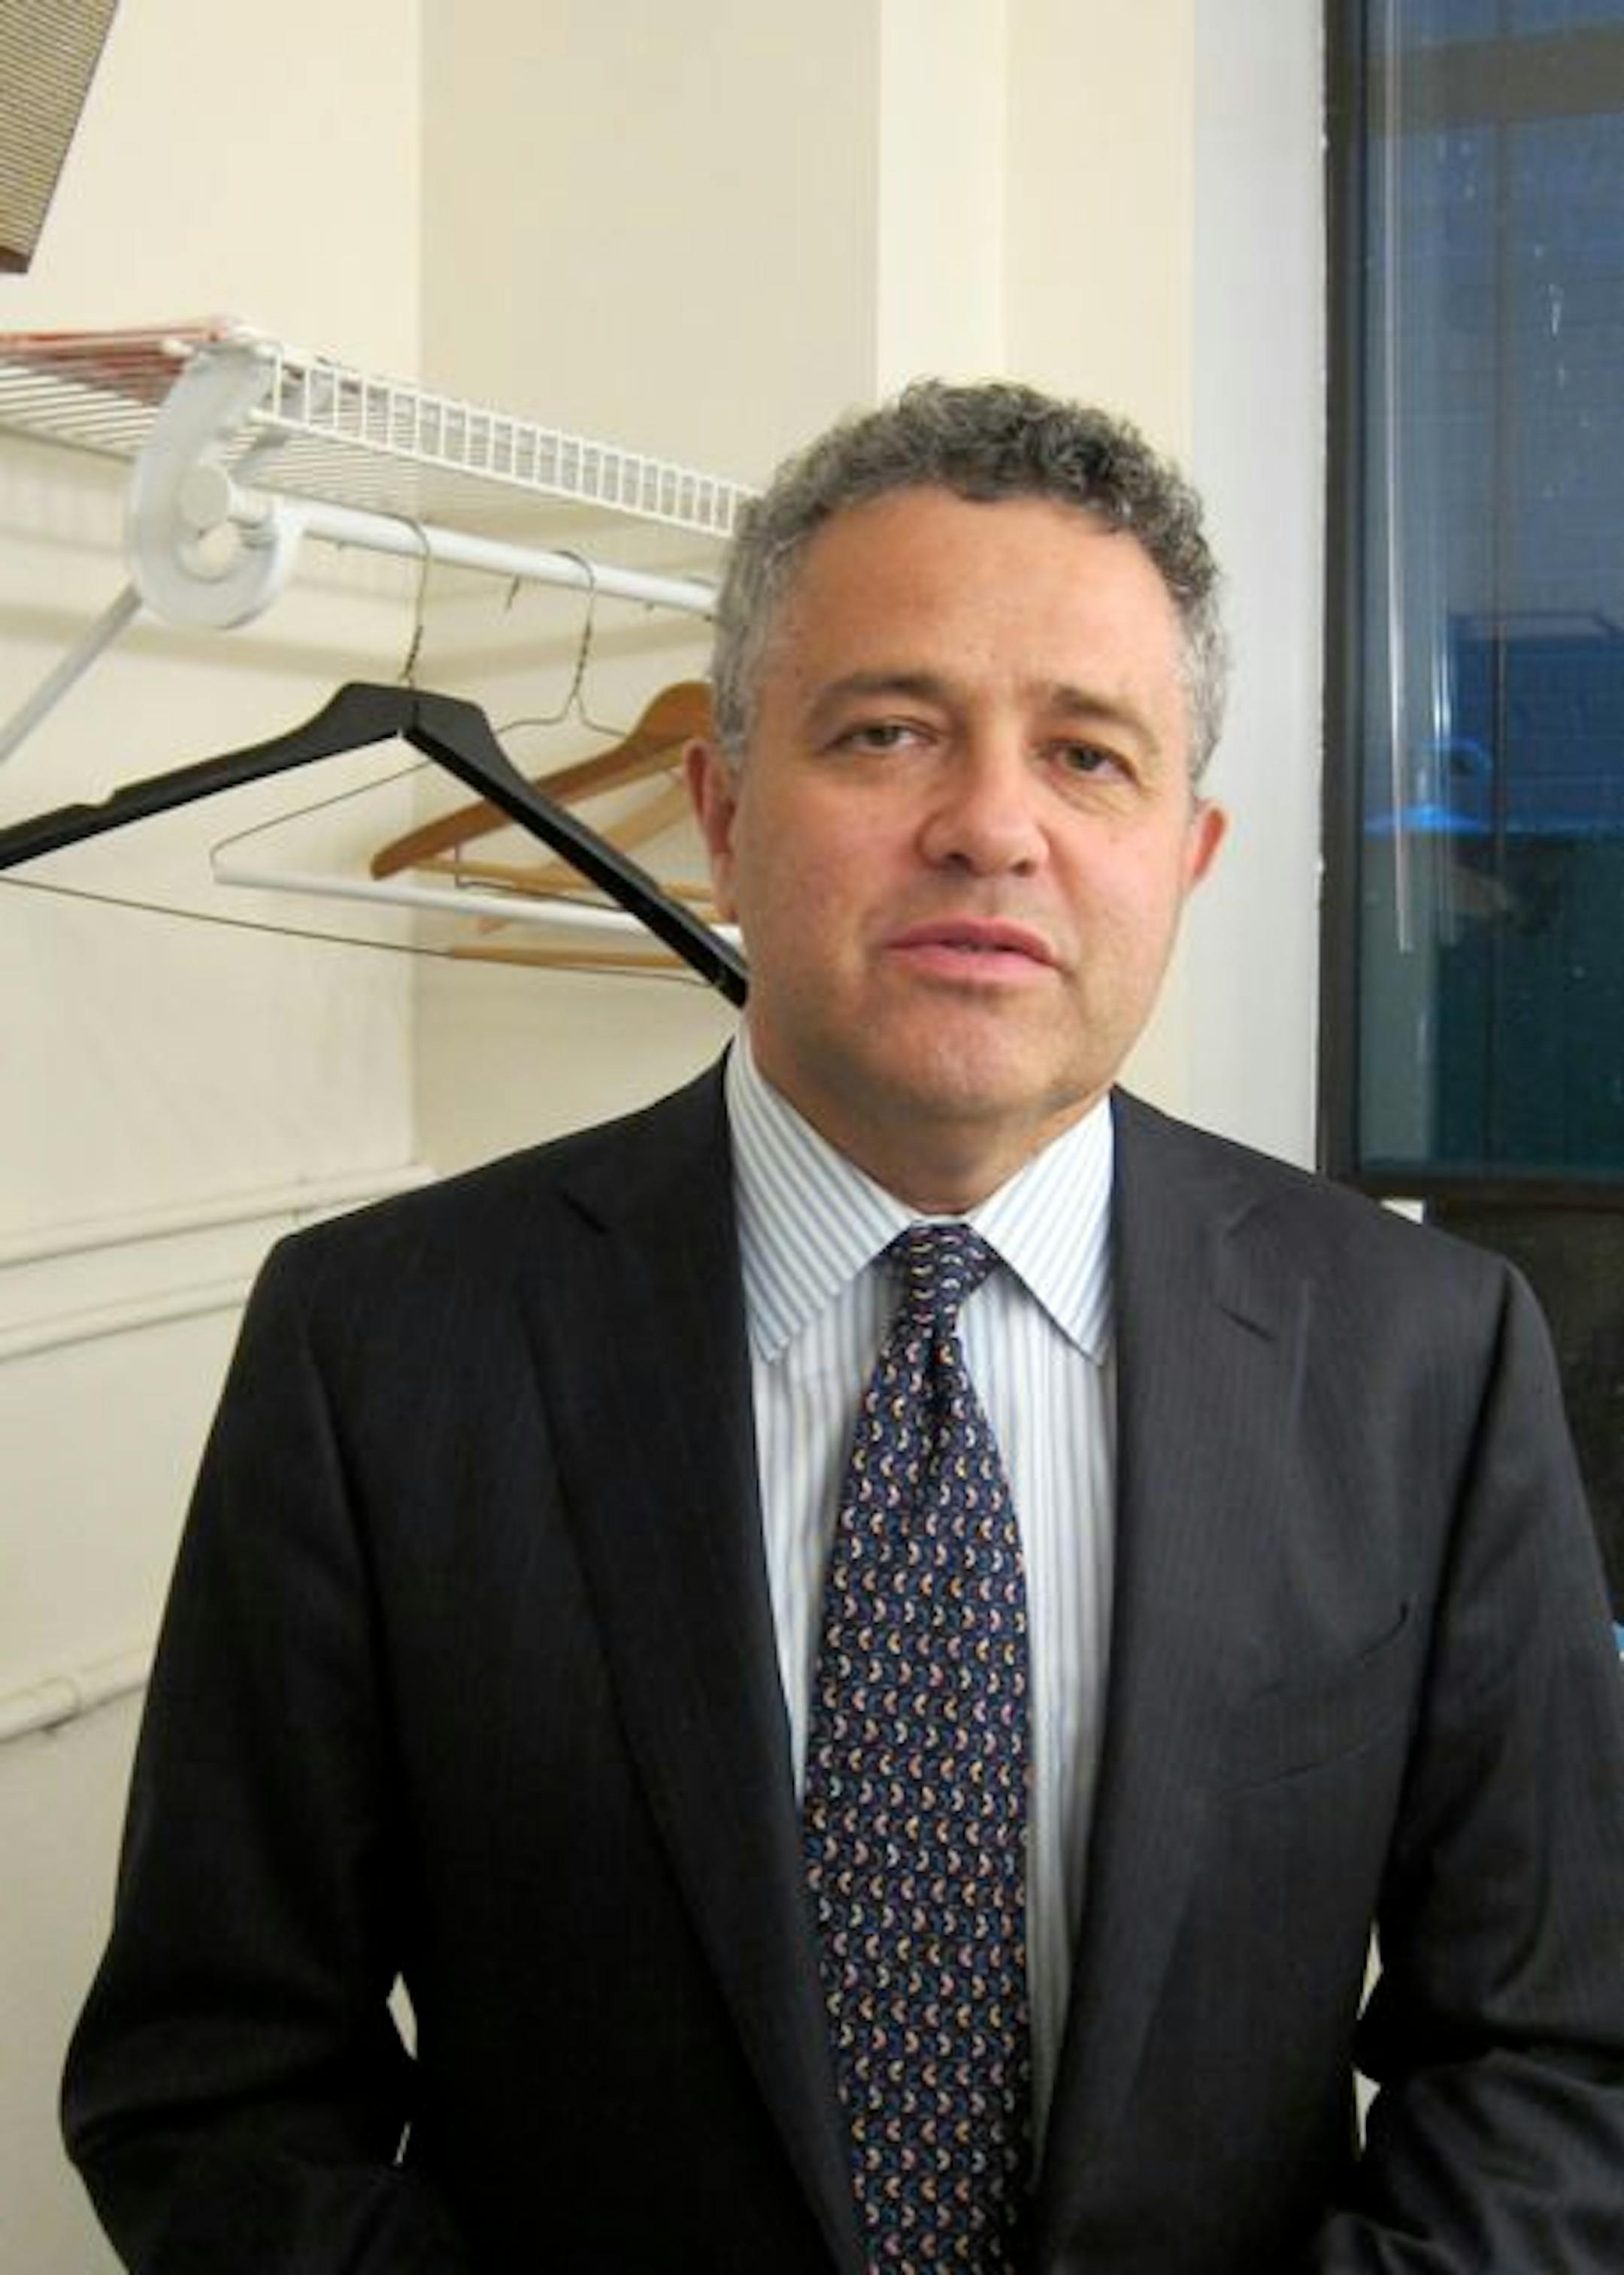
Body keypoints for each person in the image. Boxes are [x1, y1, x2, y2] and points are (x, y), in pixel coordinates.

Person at [62, 380, 1624, 2273]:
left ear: (1187, 859)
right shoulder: (379, 1345)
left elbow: (1550, 2057)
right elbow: (214, 2087)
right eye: (888, 731)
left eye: (1090, 755)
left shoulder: (1427, 1358)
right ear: (723, 816)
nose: (991, 827)